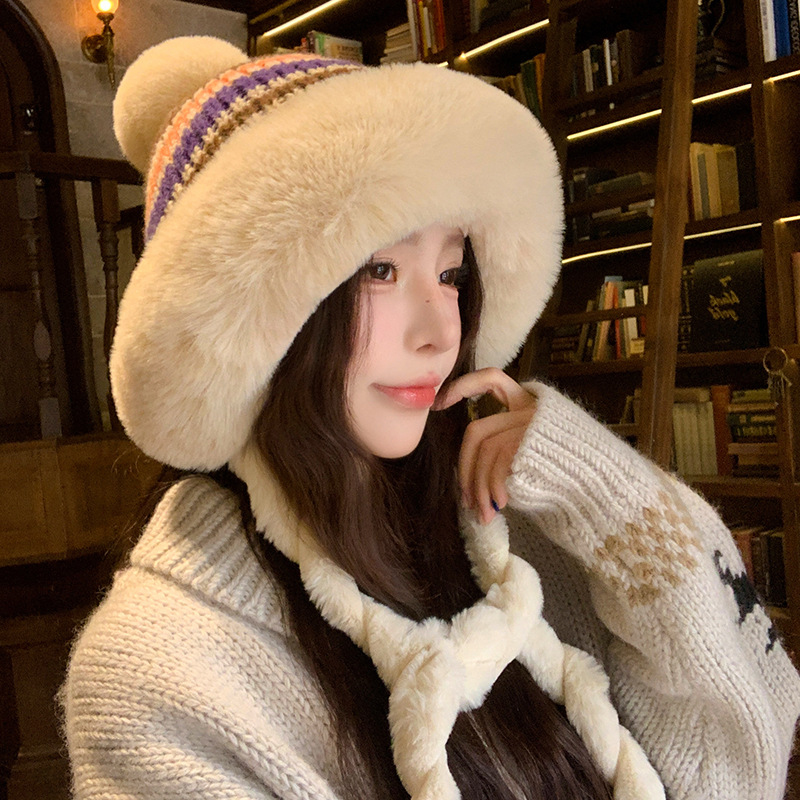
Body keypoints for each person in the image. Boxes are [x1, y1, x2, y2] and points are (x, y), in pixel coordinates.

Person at [62, 36, 800, 800]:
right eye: (381, 269)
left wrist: (605, 493)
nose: (442, 331)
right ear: (248, 314)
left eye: (450, 273)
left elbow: (739, 770)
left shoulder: (521, 538)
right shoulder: (162, 676)